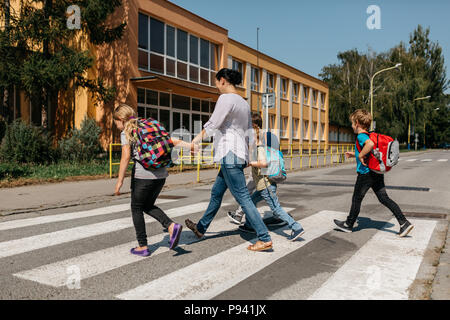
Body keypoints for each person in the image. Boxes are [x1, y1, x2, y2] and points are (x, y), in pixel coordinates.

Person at [184, 68, 273, 252]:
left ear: (223, 80)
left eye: (216, 82)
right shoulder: (244, 103)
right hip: (237, 154)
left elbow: (213, 124)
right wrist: (247, 157)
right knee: (216, 193)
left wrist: (194, 141)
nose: (216, 86)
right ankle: (201, 228)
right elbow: (249, 132)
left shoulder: (226, 99)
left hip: (229, 154)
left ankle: (264, 237)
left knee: (243, 197)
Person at [113, 104, 187, 257]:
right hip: (161, 175)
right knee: (147, 205)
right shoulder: (147, 125)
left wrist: (119, 180)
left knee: (136, 208)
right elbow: (170, 140)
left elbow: (125, 157)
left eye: (116, 123)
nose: (116, 126)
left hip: (143, 176)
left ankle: (143, 246)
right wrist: (189, 145)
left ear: (120, 119)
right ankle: (171, 226)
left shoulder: (127, 131)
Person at [334, 109, 414, 237]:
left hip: (365, 174)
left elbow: (369, 145)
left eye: (352, 123)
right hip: (375, 172)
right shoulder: (369, 134)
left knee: (357, 199)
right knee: (384, 198)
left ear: (357, 123)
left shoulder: (362, 136)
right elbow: (369, 152)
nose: (351, 126)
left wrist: (360, 154)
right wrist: (354, 154)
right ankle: (404, 222)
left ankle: (348, 224)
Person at [237, 112, 305, 241]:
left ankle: (296, 227)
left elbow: (263, 163)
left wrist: (250, 163)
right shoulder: (257, 146)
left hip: (266, 185)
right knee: (250, 202)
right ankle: (249, 224)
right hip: (263, 185)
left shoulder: (259, 147)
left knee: (276, 209)